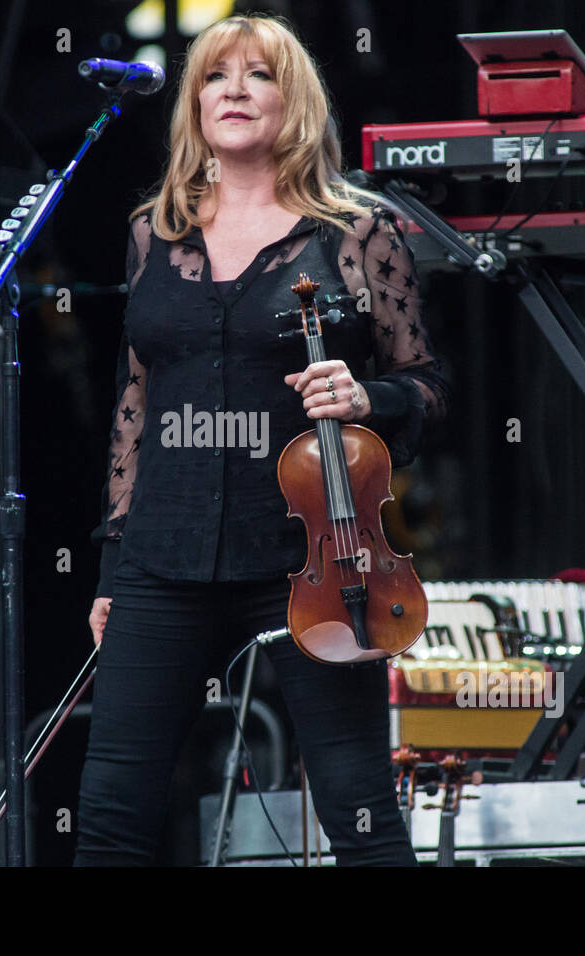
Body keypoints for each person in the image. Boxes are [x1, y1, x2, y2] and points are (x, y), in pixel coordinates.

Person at [76, 13, 450, 866]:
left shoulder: (357, 233)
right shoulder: (153, 232)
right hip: (160, 557)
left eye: (259, 75)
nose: (234, 90)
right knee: (109, 814)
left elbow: (432, 387)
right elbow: (136, 408)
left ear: (296, 101)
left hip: (312, 557)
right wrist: (110, 569)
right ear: (193, 102)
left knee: (358, 805)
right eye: (214, 76)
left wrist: (370, 396)